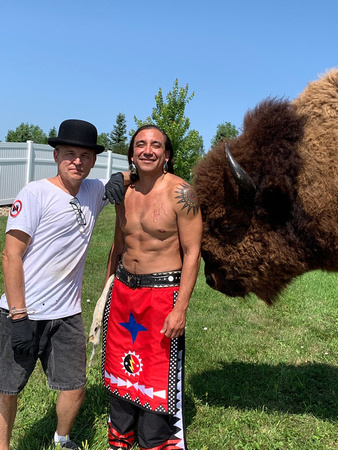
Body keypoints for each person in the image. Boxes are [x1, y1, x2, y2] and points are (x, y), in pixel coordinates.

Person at [0, 119, 128, 450]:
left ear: (93, 160)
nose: (77, 161)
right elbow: (11, 255)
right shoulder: (34, 193)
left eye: (85, 156)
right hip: (23, 311)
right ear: (56, 155)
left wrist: (119, 178)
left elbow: (131, 175)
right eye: (70, 154)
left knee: (75, 386)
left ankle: (61, 438)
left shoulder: (94, 191)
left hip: (68, 314)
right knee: (7, 389)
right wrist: (18, 317)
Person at [102, 124, 202, 450]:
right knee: (120, 366)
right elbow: (118, 244)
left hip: (162, 297)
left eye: (156, 145)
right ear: (132, 153)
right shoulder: (124, 192)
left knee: (158, 375)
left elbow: (192, 254)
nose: (148, 150)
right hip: (123, 292)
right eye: (140, 145)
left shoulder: (182, 194)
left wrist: (181, 309)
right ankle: (120, 436)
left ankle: (154, 440)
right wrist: (106, 290)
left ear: (167, 155)